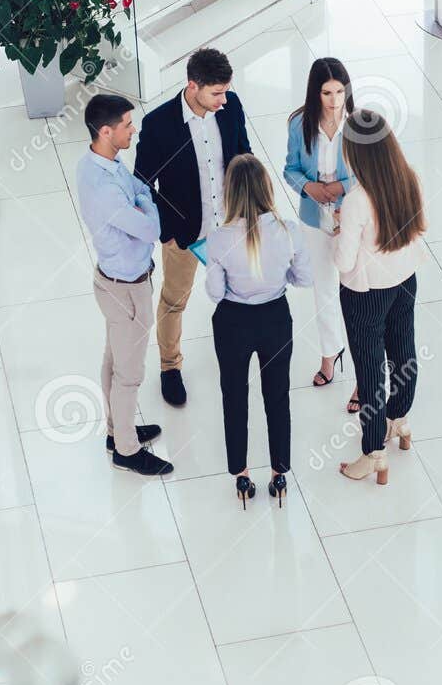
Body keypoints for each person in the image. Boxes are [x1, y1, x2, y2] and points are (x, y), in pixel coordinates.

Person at [133, 47, 251, 408]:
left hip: (229, 225)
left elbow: (244, 156)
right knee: (173, 300)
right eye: (216, 92)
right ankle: (170, 367)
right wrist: (167, 229)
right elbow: (142, 183)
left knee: (240, 294)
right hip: (184, 233)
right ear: (193, 85)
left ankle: (240, 353)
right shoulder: (159, 124)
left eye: (226, 90)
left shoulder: (229, 108)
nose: (223, 99)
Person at [76, 92, 174, 476]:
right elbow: (152, 226)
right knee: (129, 372)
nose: (133, 130)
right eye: (127, 125)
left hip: (114, 280)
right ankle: (127, 451)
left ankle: (118, 430)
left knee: (114, 359)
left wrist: (142, 197)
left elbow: (140, 191)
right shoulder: (105, 188)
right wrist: (145, 203)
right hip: (127, 287)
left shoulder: (99, 163)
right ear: (106, 131)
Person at [205, 155, 310, 508]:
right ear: (266, 187)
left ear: (229, 192)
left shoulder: (219, 239)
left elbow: (215, 293)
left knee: (234, 396)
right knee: (277, 397)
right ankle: (279, 473)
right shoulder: (289, 231)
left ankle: (241, 474)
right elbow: (304, 278)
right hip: (275, 319)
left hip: (233, 322)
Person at [333, 109, 426, 486]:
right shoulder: (408, 178)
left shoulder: (357, 200)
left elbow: (344, 261)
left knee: (370, 370)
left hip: (366, 292)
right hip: (406, 279)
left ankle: (373, 453)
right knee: (403, 351)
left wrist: (339, 226)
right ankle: (399, 420)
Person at [282, 57, 356, 406]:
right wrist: (310, 188)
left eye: (339, 91)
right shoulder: (299, 124)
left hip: (350, 217)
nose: (334, 100)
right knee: (324, 291)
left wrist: (339, 187)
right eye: (327, 92)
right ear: (315, 92)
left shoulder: (358, 125)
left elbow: (368, 171)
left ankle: (363, 374)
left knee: (357, 296)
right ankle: (330, 355)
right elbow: (290, 169)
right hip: (314, 217)